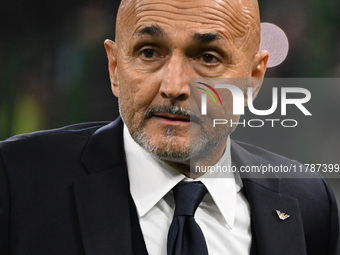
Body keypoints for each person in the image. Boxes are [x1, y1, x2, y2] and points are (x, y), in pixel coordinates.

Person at [0, 0, 338, 254]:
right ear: (115, 67)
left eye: (208, 57)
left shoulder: (308, 202)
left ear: (254, 78)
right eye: (149, 52)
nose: (175, 85)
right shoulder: (16, 182)